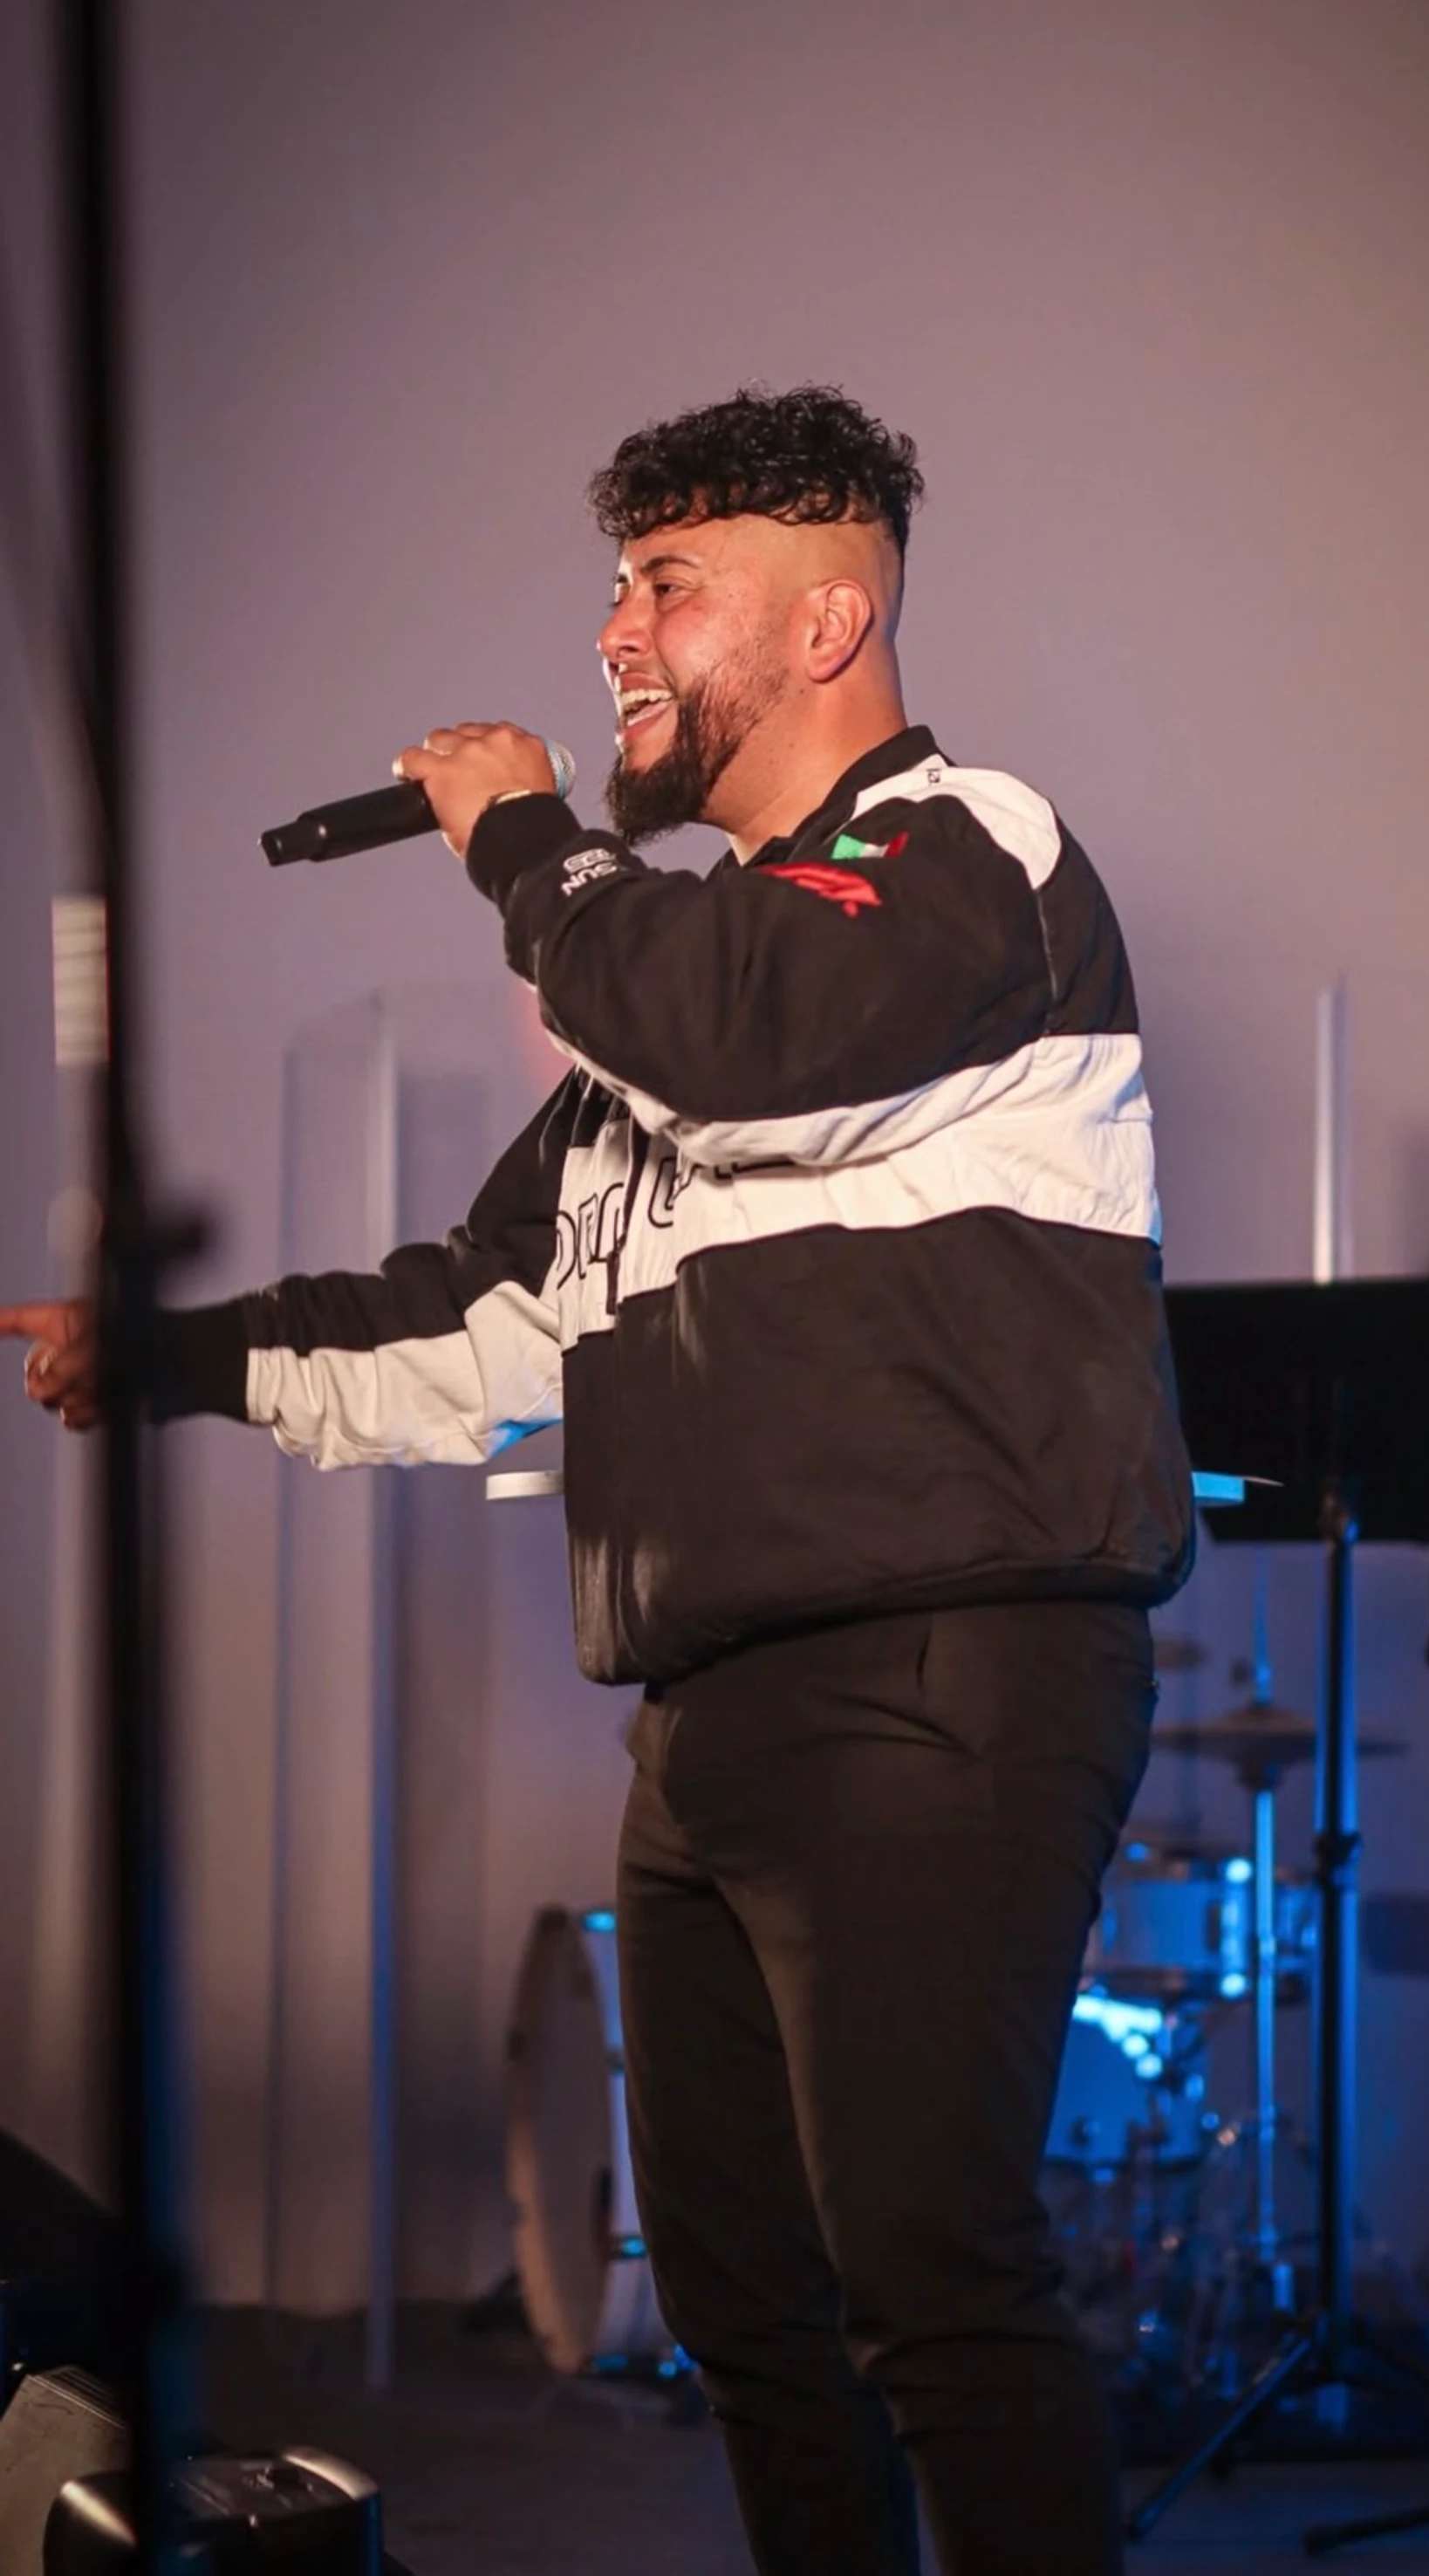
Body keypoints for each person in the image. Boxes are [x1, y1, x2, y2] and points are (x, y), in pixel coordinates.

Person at [3, 385, 1194, 2576]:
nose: (615, 641)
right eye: (615, 592)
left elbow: (753, 1033)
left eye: (667, 588)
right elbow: (474, 1324)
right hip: (712, 1715)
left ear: (831, 617)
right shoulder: (657, 1035)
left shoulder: (966, 860)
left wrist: (525, 847)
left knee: (930, 2266)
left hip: (944, 1670)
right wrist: (158, 1355)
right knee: (744, 2309)